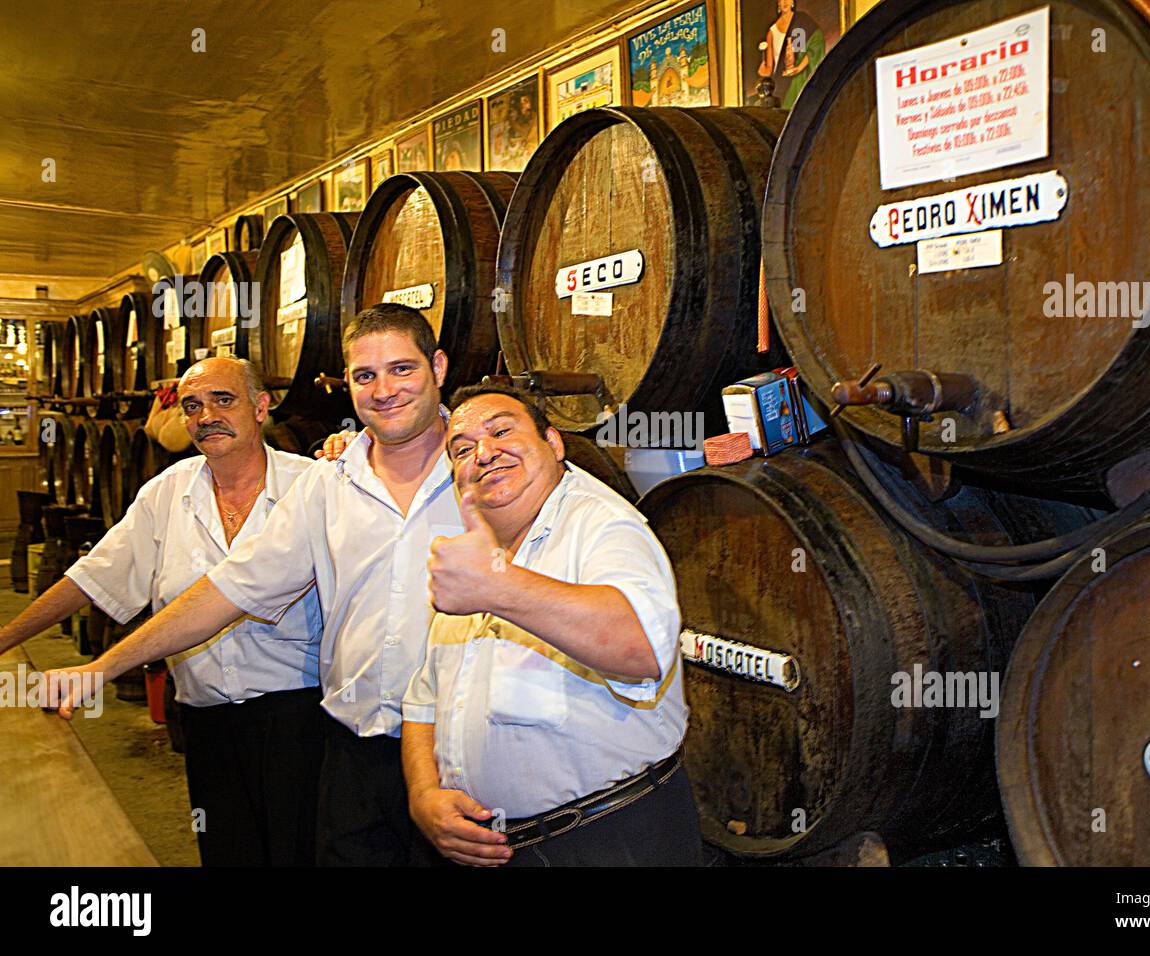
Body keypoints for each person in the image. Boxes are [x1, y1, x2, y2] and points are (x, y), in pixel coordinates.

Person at [43, 304, 464, 866]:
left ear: (437, 366)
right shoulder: (328, 485)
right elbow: (227, 592)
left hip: (464, 757)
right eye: (365, 376)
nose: (383, 389)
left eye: (401, 369)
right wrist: (100, 668)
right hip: (353, 757)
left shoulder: (492, 471)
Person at [3, 357, 324, 866]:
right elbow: (93, 576)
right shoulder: (168, 491)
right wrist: (4, 637)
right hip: (205, 720)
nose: (206, 416)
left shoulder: (315, 486)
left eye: (224, 400)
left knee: (300, 854)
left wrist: (100, 669)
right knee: (227, 853)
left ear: (262, 406)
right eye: (192, 406)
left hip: (300, 718)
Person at [401, 384, 699, 867]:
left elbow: (643, 650)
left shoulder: (603, 526)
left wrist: (496, 587)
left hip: (608, 840)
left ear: (554, 444)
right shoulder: (474, 549)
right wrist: (423, 793)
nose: (484, 452)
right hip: (496, 849)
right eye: (462, 448)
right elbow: (423, 697)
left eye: (501, 430)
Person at [755, 0, 826, 108]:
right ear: (778, 3)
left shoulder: (801, 21)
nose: (785, 2)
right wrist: (762, 71)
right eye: (782, 0)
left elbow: (816, 43)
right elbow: (769, 69)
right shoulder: (772, 32)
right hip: (780, 84)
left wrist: (798, 68)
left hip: (798, 81)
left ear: (792, 2)